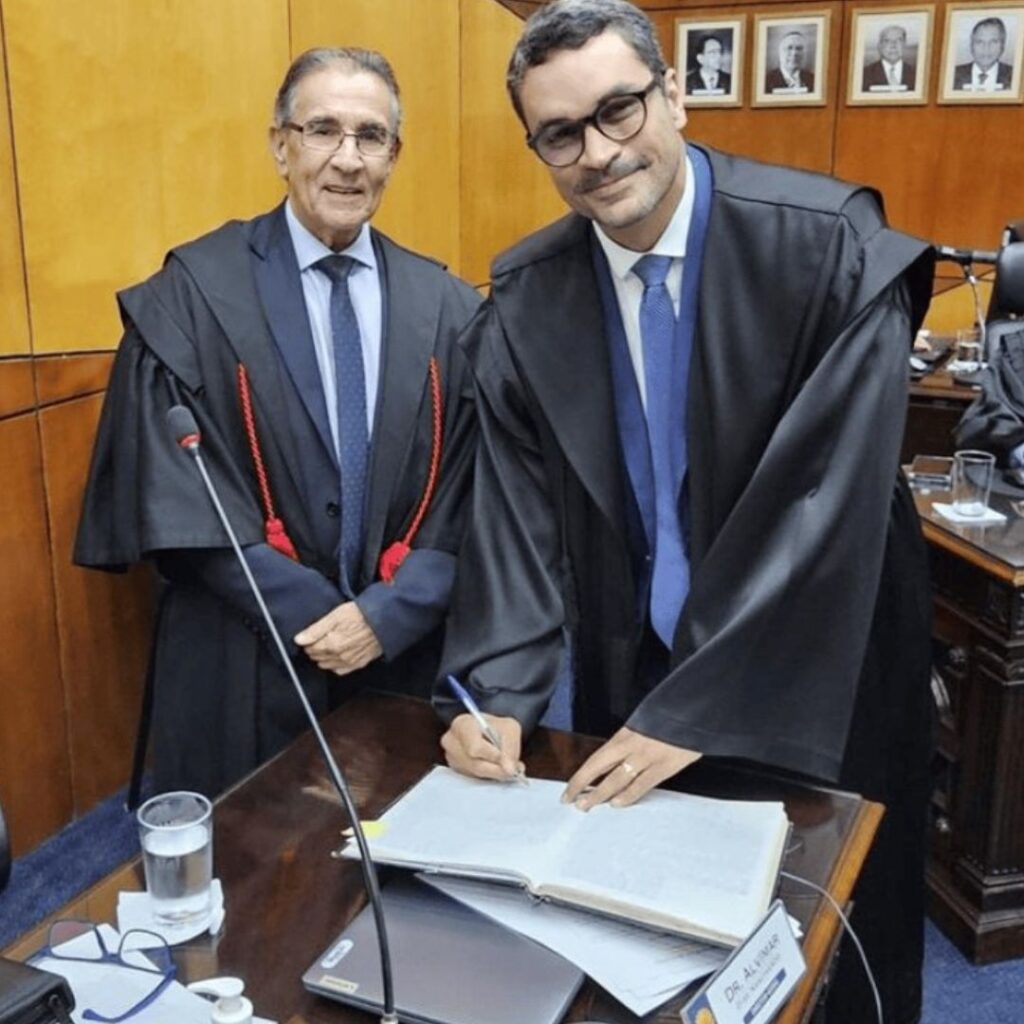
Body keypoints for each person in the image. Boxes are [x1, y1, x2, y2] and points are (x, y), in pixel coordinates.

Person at [436, 2, 934, 1023]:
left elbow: (825, 505)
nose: (598, 152)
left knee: (831, 940)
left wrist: (707, 702)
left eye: (618, 109)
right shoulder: (529, 296)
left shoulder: (829, 245)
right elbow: (514, 519)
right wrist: (496, 692)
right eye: (559, 134)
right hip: (640, 667)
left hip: (819, 659)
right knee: (650, 943)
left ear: (674, 94)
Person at [75, 47, 481, 797]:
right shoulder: (194, 294)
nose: (347, 159)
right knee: (250, 852)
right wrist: (323, 616)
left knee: (396, 847)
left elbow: (473, 491)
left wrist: (389, 614)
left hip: (401, 654)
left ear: (395, 156)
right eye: (322, 129)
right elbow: (175, 493)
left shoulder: (448, 309)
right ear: (280, 146)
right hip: (243, 648)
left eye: (371, 136)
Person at [953, 16, 1014, 91]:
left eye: (993, 42)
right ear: (971, 45)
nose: (986, 48)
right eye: (980, 42)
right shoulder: (953, 75)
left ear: (1002, 46)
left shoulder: (1014, 75)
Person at [863, 24, 917, 91]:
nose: (893, 46)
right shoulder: (865, 74)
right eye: (887, 41)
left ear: (904, 45)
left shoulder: (916, 73)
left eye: (899, 40)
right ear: (879, 46)